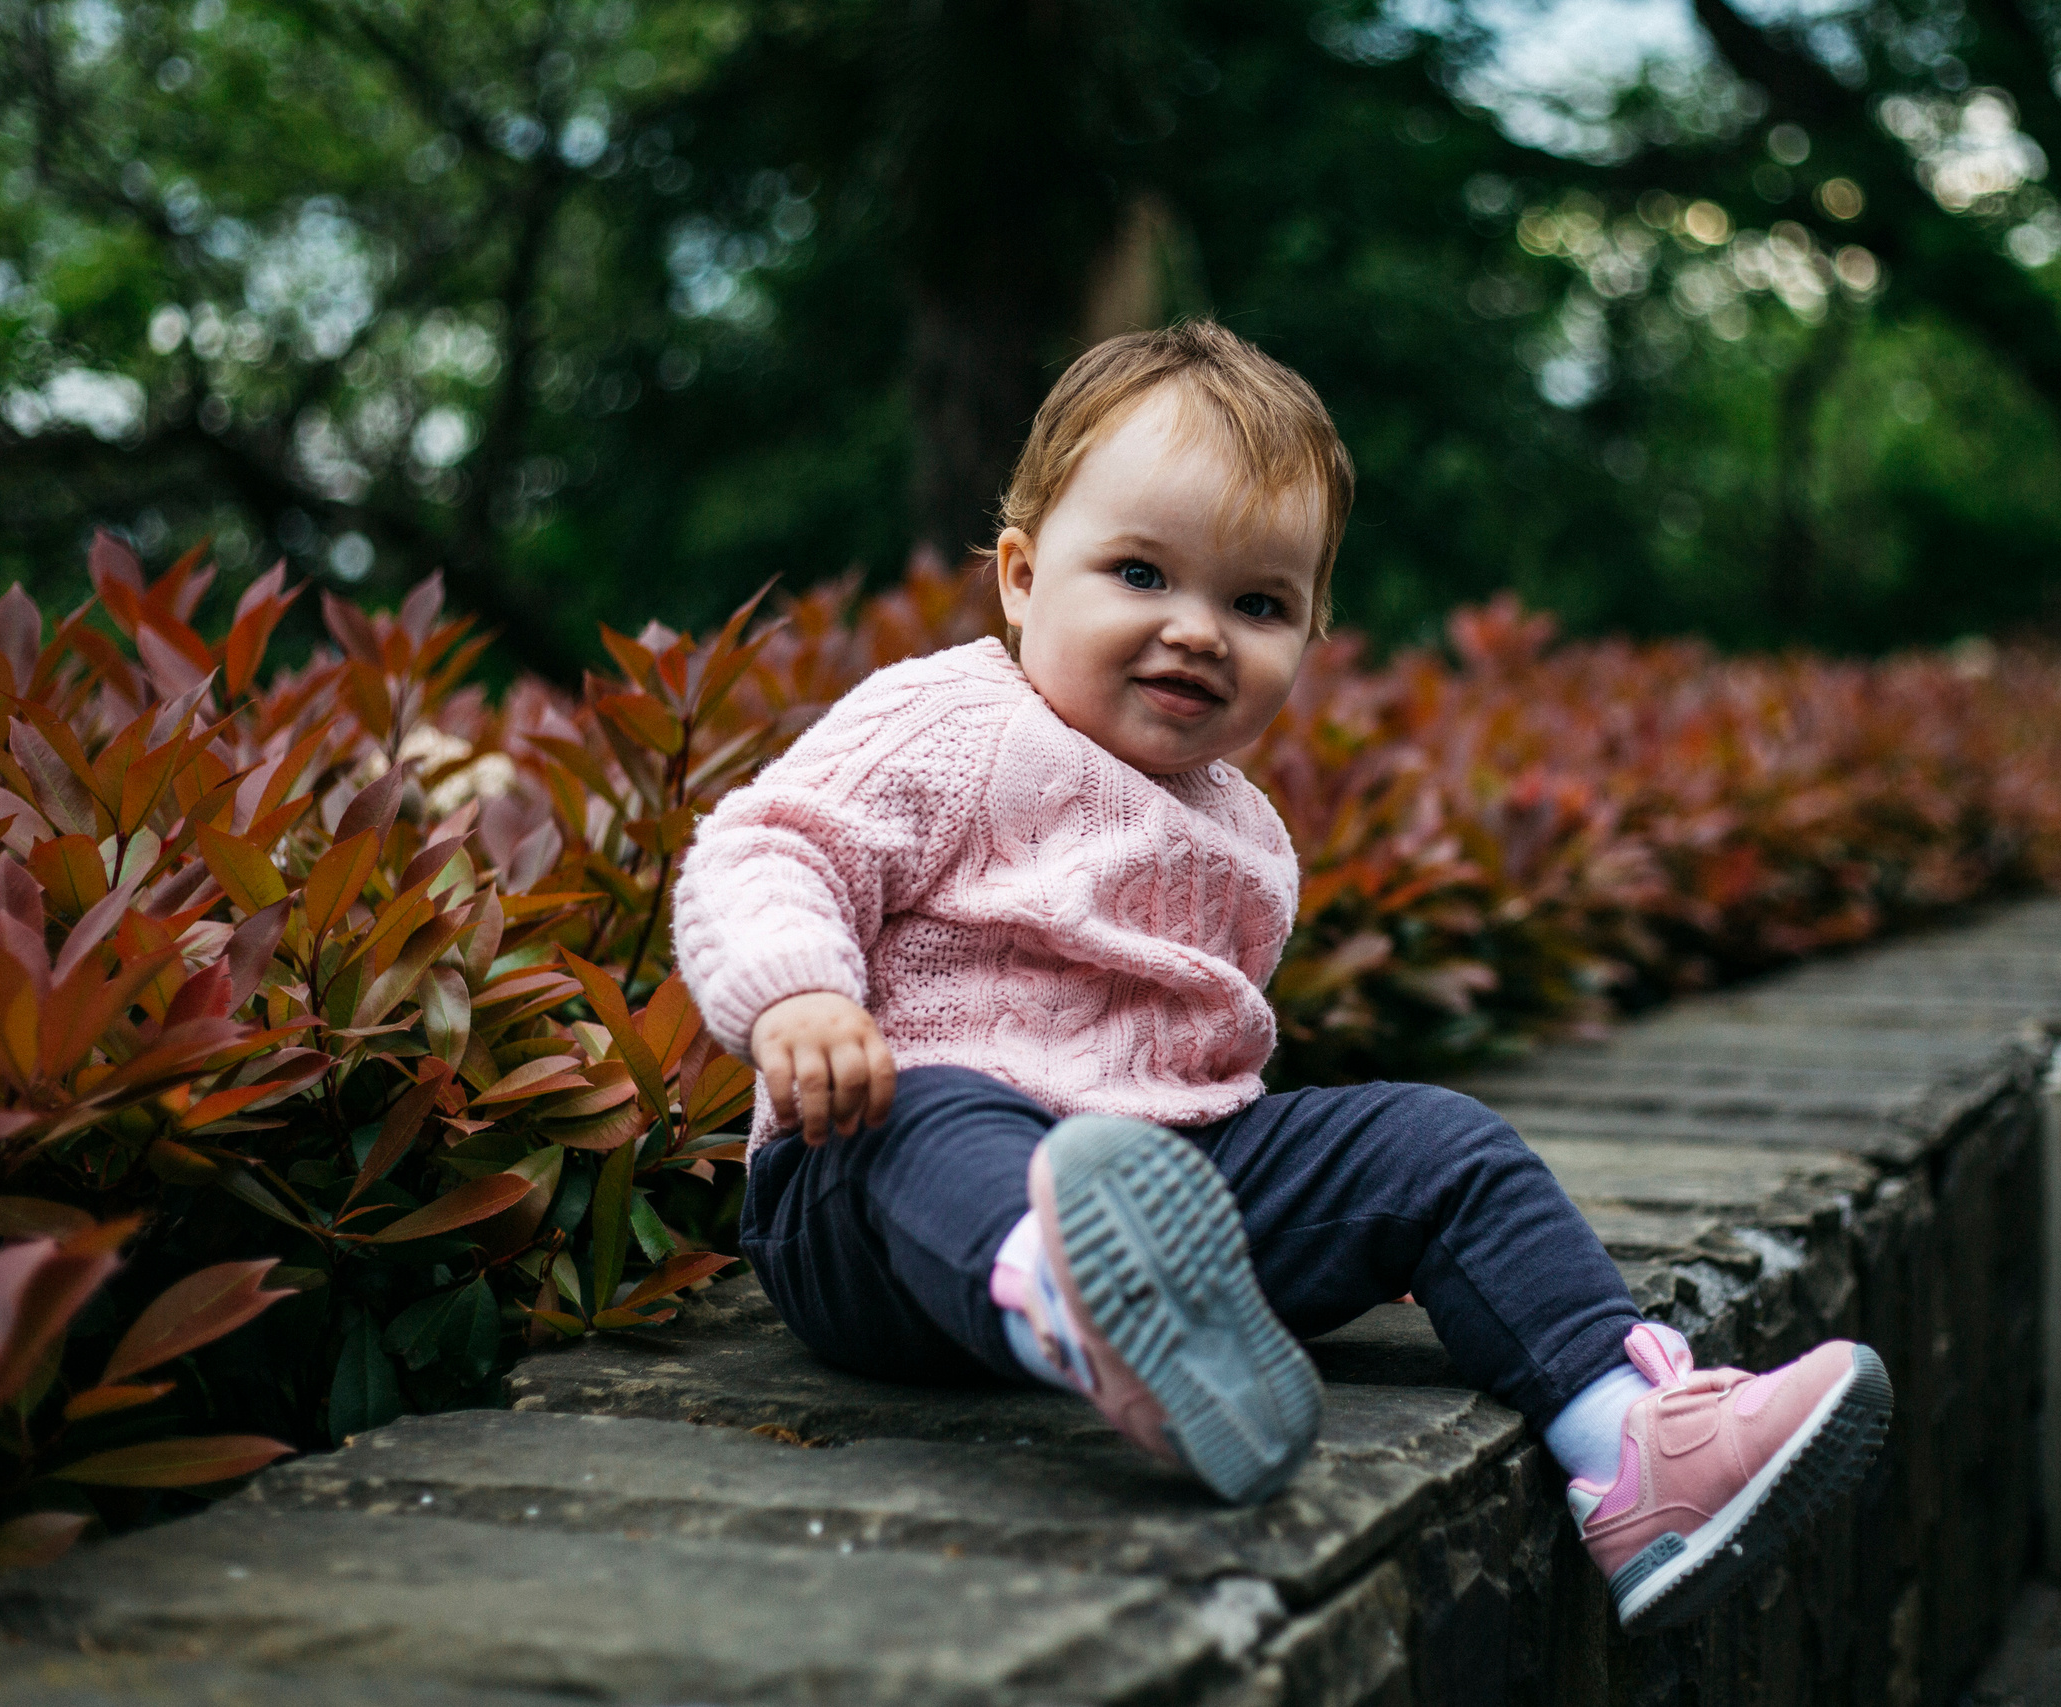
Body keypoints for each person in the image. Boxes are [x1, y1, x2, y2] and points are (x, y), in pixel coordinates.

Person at [670, 320, 1891, 1631]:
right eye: (1140, 572)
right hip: (868, 1206)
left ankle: (1631, 1447)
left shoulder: (1247, 834)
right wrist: (802, 995)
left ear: (1310, 632)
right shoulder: (956, 721)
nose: (1197, 632)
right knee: (934, 1100)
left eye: (1257, 604)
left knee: (1436, 1142)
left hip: (1155, 1181)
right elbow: (766, 846)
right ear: (1022, 577)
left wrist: (1298, 1184)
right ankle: (1075, 1297)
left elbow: (1195, 1069)